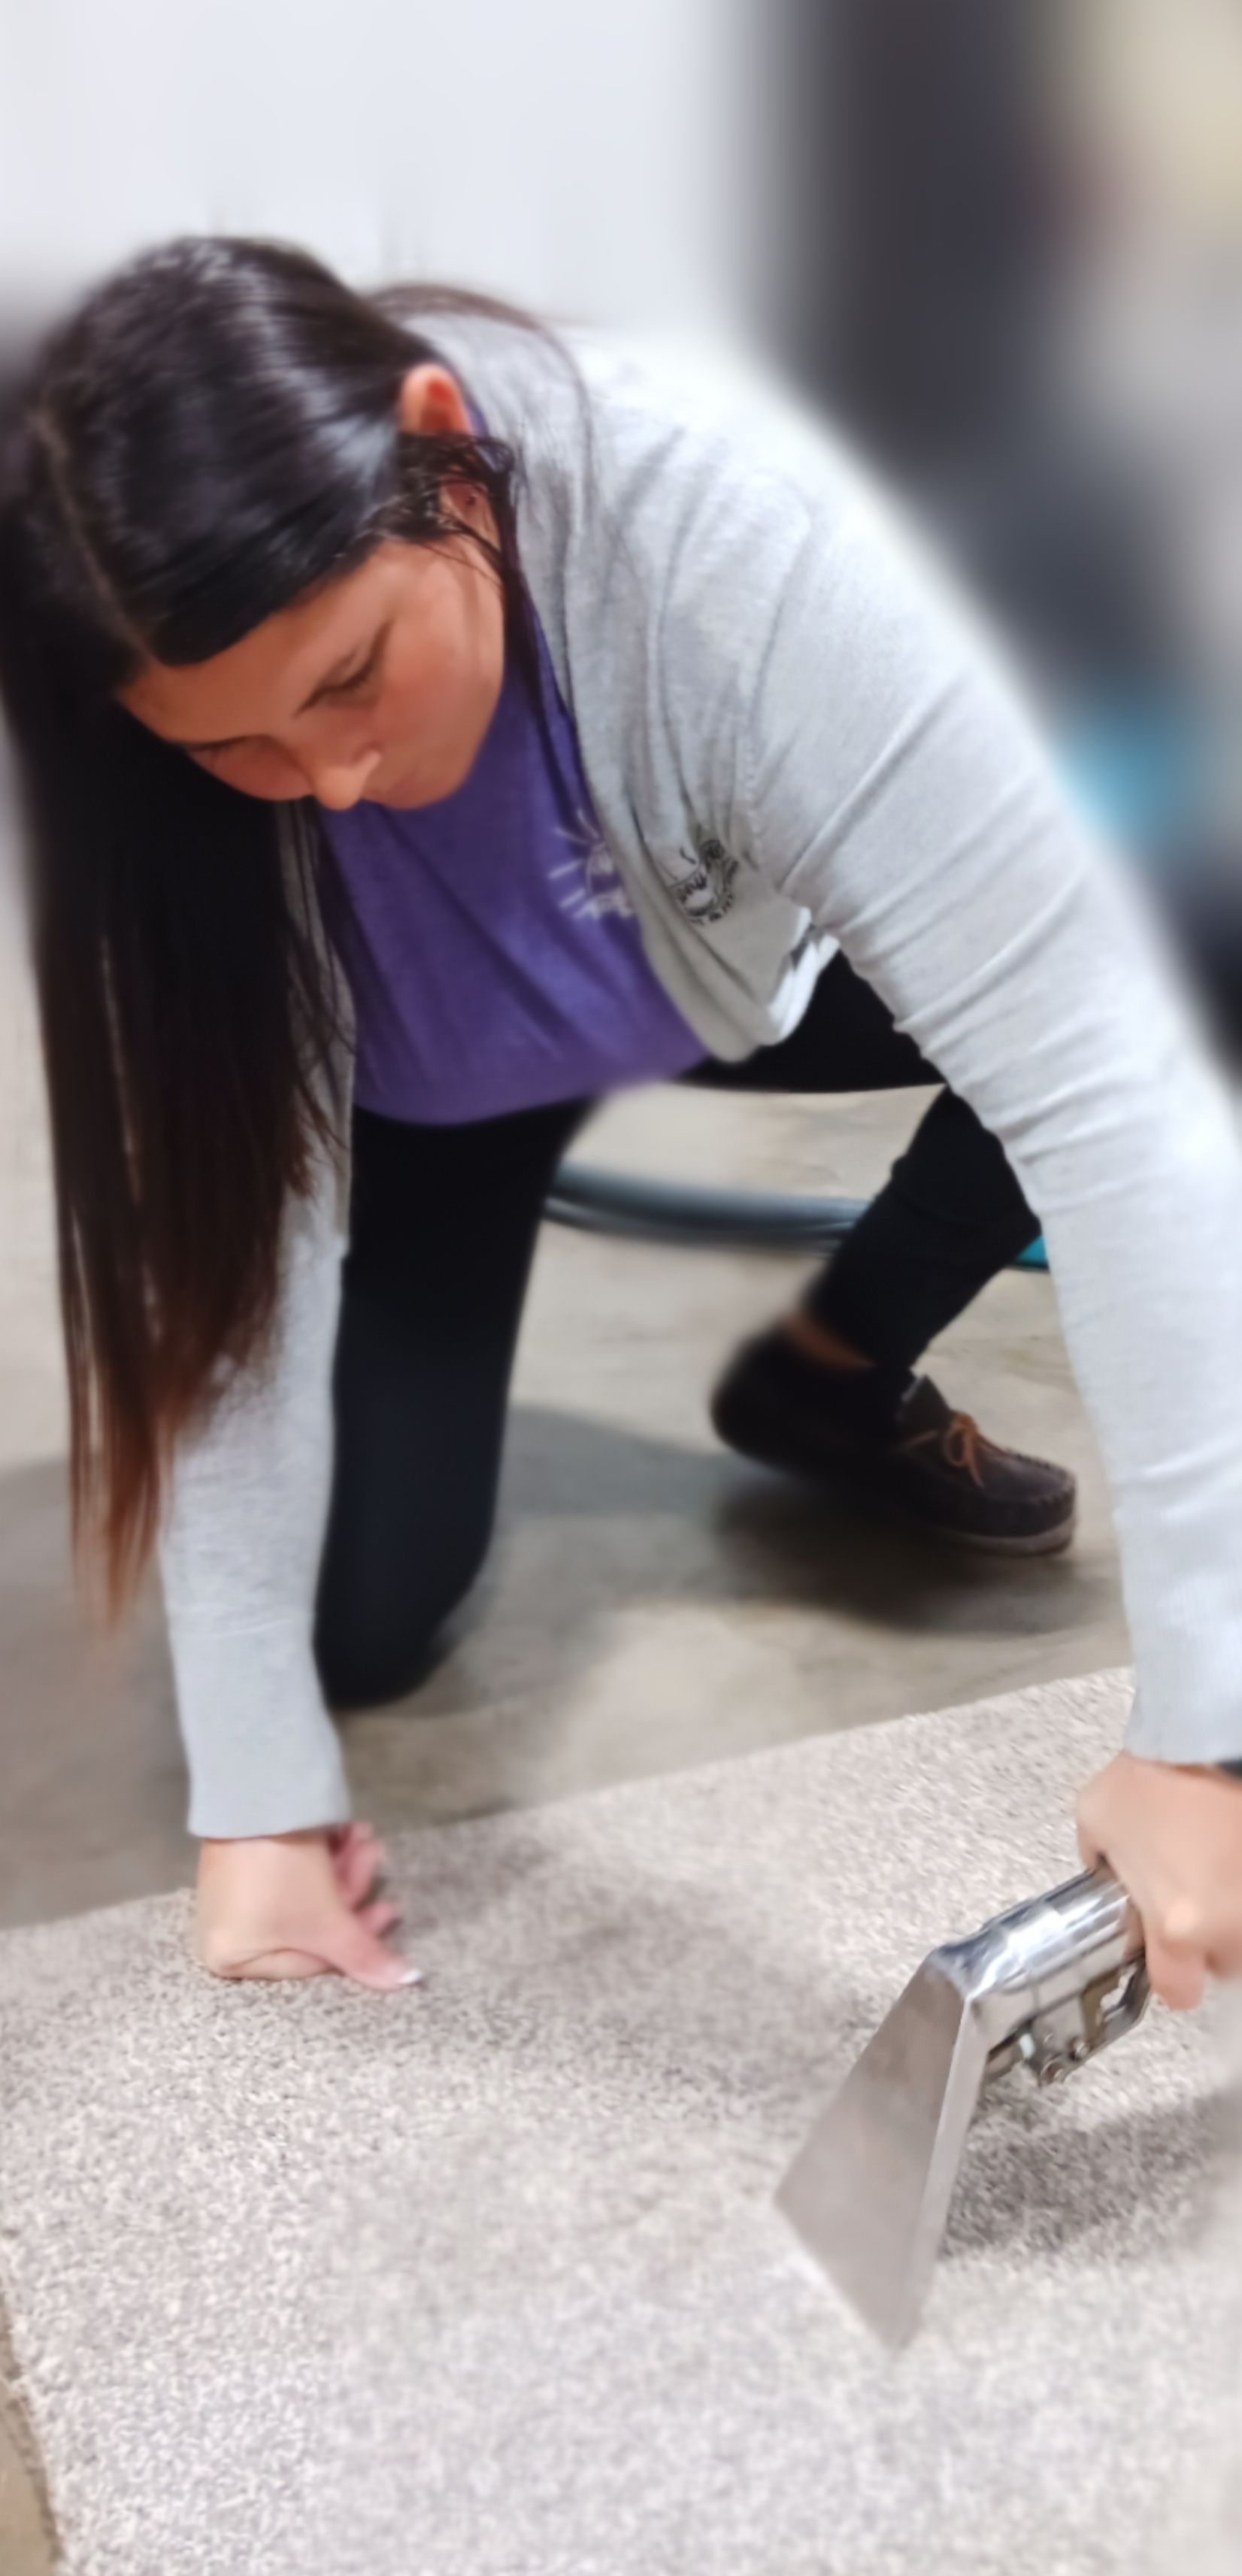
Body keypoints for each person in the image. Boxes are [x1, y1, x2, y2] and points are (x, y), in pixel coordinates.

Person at [2, 236, 1241, 2009]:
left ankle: (834, 1365)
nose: (334, 782)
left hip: (727, 980)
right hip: (428, 1094)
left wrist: (1206, 1729)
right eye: (244, 750)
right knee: (360, 1632)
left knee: (1189, 961)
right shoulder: (144, 755)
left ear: (436, 448)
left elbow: (1104, 1090)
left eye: (351, 676)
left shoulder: (717, 539)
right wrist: (256, 1803)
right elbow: (228, 1262)